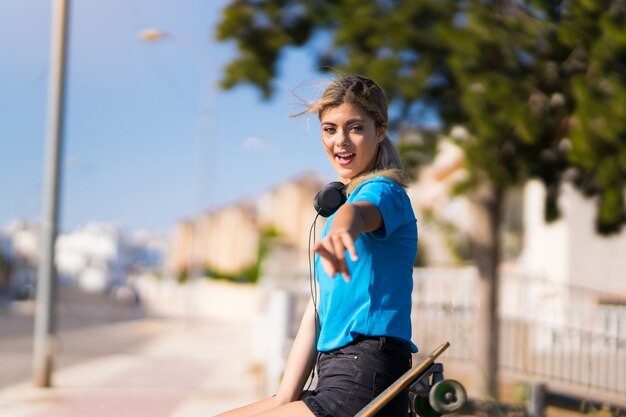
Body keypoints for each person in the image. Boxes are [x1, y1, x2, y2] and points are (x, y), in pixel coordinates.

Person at [215, 74, 418, 417]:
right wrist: (282, 398)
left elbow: (357, 214)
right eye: (330, 129)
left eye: (355, 128)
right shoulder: (335, 232)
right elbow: (317, 314)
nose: (341, 141)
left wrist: (342, 228)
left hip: (364, 376)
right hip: (337, 376)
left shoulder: (385, 192)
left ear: (380, 130)